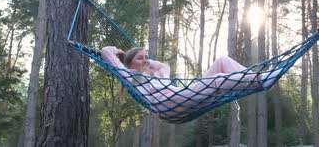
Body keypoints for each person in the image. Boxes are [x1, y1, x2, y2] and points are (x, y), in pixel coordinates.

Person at [100, 46, 282, 118]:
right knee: (217, 80)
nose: (146, 60)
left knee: (222, 61)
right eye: (141, 58)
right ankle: (260, 81)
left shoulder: (158, 75)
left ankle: (257, 79)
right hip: (168, 106)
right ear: (130, 64)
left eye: (147, 57)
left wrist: (145, 60)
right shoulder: (132, 77)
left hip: (183, 96)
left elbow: (162, 65)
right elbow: (105, 52)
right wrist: (120, 53)